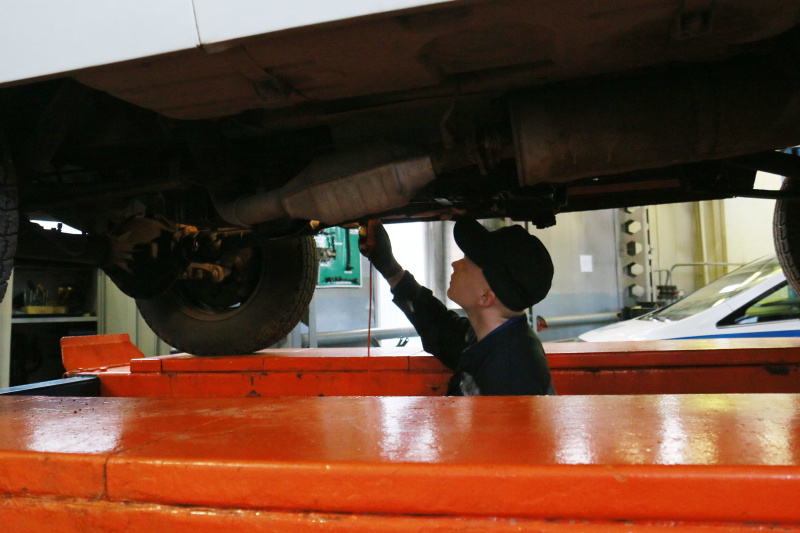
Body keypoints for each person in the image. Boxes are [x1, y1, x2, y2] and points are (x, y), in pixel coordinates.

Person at [359, 217, 556, 396]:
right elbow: (439, 327)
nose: (455, 264)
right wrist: (391, 269)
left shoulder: (511, 377)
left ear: (486, 296)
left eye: (468, 261)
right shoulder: (497, 339)